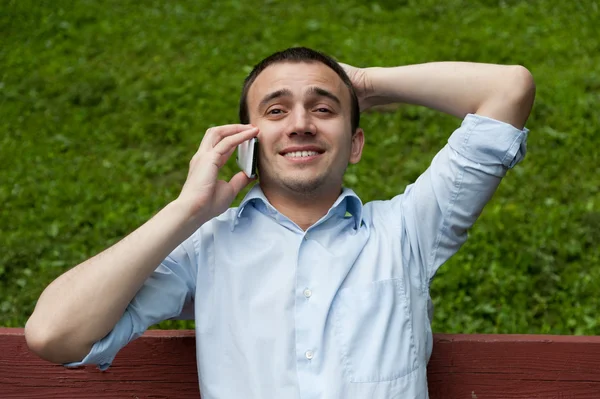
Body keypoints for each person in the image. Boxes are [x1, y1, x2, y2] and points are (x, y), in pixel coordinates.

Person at [25, 47, 535, 399]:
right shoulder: (208, 247)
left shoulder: (406, 232)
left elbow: (507, 90)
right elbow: (54, 334)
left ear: (354, 143)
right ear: (246, 141)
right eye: (276, 110)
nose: (300, 124)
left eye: (323, 108)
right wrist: (185, 211)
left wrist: (361, 83)